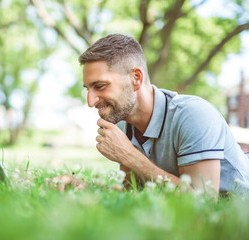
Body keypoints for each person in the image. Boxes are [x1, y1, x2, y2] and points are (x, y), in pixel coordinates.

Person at [78, 33, 249, 195]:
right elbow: (131, 193)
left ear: (136, 78)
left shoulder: (193, 115)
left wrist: (130, 156)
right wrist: (85, 188)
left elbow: (203, 199)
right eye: (88, 89)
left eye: (100, 86)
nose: (90, 101)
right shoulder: (123, 125)